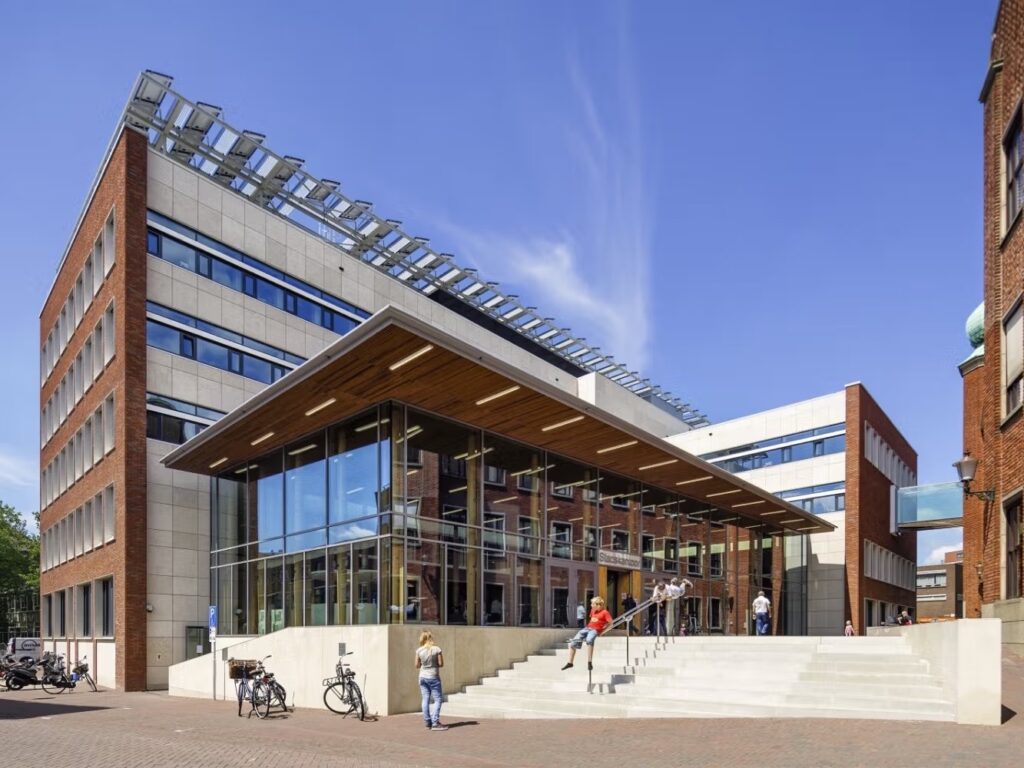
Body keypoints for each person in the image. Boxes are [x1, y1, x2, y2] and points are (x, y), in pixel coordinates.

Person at [561, 596, 613, 671]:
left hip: (595, 630)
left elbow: (611, 624)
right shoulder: (593, 610)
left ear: (598, 604)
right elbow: (592, 620)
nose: (591, 605)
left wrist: (602, 632)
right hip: (587, 628)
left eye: (592, 604)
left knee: (589, 640)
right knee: (573, 643)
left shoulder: (605, 612)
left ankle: (589, 662)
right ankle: (570, 663)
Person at [415, 631, 448, 731]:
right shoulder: (437, 649)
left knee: (425, 698)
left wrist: (424, 663)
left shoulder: (419, 650)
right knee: (438, 699)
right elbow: (441, 664)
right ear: (430, 638)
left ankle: (427, 722)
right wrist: (433, 664)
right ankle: (435, 723)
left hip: (422, 677)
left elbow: (417, 665)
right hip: (433, 676)